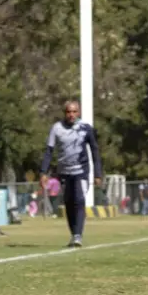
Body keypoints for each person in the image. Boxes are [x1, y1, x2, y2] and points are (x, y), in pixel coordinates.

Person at [40, 100, 103, 248]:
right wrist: (43, 172)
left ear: (79, 112)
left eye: (74, 111)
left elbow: (95, 151)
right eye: (68, 111)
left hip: (81, 171)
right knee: (68, 203)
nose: (71, 115)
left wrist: (98, 173)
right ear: (64, 113)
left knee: (79, 199)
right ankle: (74, 234)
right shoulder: (56, 128)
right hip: (64, 172)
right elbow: (49, 151)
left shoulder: (86, 128)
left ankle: (78, 235)